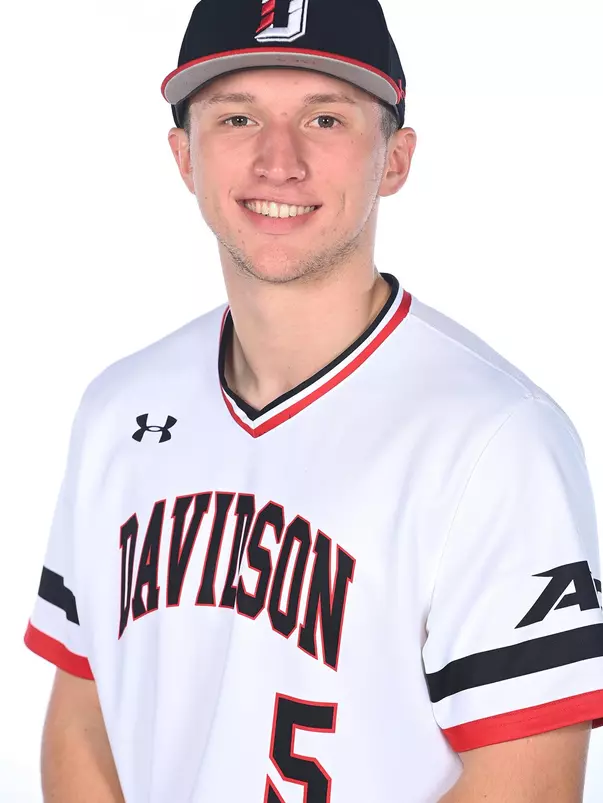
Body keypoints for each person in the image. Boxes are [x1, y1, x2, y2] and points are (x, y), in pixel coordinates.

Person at [25, 1, 603, 801]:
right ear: (183, 156)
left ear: (394, 159)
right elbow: (83, 714)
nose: (278, 161)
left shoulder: (495, 437)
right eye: (236, 117)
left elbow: (526, 783)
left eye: (325, 118)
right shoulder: (119, 410)